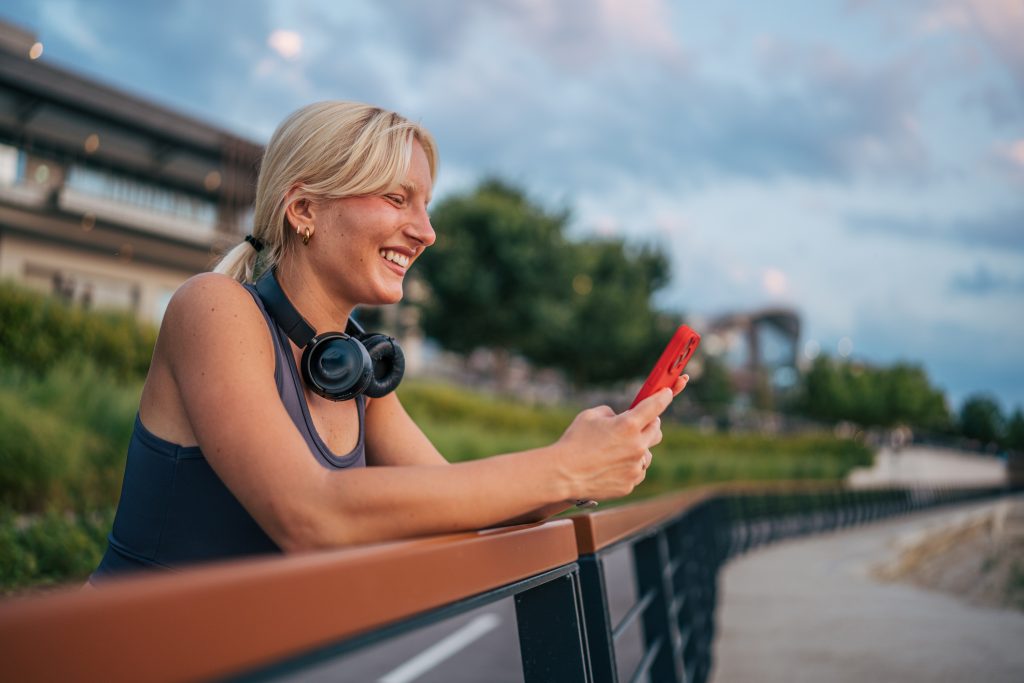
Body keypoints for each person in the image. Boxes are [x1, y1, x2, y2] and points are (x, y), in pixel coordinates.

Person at [92, 101, 687, 578]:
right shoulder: (213, 308)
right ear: (303, 209)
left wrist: (593, 458)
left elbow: (458, 507)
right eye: (397, 198)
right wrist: (565, 469)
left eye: (425, 206)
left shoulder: (358, 369)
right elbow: (308, 514)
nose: (426, 232)